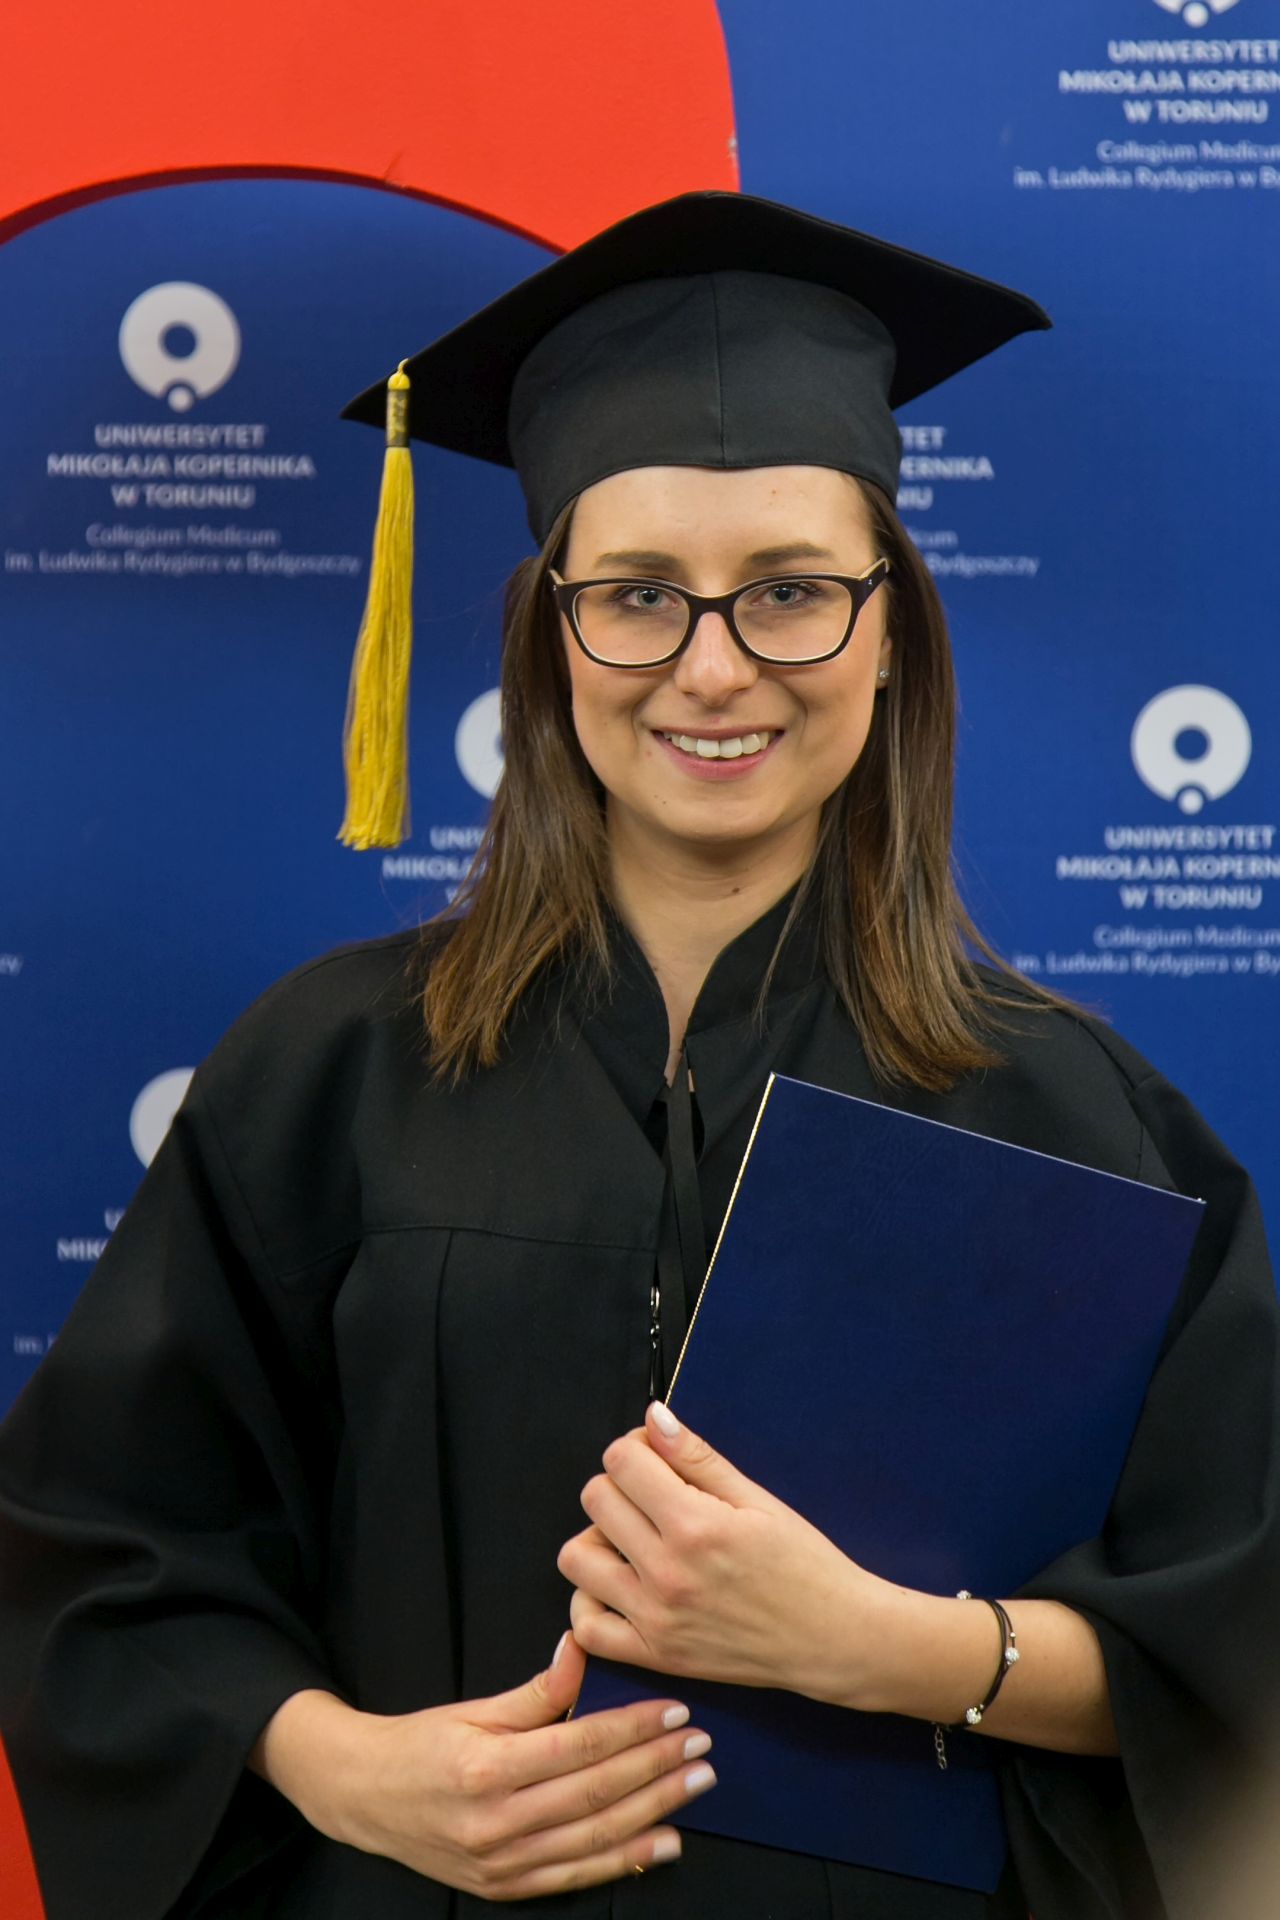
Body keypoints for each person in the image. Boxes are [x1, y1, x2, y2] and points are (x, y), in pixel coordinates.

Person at [1, 190, 1276, 1920]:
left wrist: (890, 1648)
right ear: (552, 631)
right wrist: (342, 1767)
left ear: (891, 629)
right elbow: (101, 1554)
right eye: (639, 595)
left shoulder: (1073, 1119)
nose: (713, 666)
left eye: (791, 592)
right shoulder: (327, 1078)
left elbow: (1239, 1636)